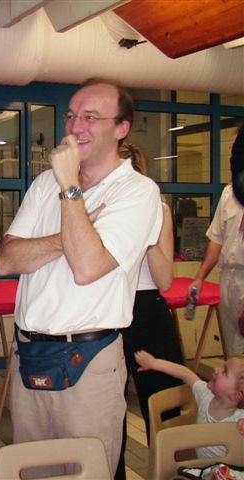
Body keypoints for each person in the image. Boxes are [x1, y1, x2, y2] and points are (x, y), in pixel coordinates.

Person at [0, 79, 162, 475]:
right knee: (33, 471)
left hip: (88, 361)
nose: (74, 127)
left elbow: (87, 268)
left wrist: (70, 186)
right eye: (71, 116)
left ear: (121, 128)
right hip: (30, 354)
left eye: (90, 117)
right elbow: (7, 260)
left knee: (87, 470)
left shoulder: (137, 192)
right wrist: (71, 235)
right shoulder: (44, 184)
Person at [114, 143, 185, 479]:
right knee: (108, 413)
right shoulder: (96, 206)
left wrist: (146, 229)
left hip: (147, 309)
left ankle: (172, 473)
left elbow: (165, 279)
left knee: (164, 405)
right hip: (108, 309)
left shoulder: (159, 208)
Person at [188, 125, 244, 357]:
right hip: (230, 277)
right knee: (233, 350)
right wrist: (200, 277)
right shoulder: (230, 193)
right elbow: (216, 240)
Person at [134, 350, 244, 457]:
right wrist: (153, 363)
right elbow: (186, 374)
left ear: (237, 395)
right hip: (202, 467)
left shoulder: (239, 420)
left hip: (229, 469)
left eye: (224, 372)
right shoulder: (206, 395)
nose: (216, 369)